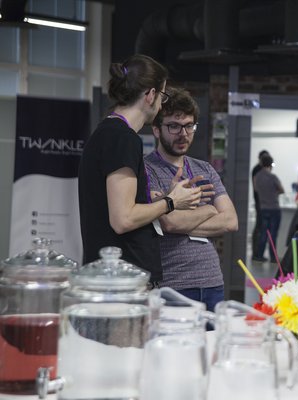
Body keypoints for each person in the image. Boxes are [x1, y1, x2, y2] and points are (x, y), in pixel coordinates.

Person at [78, 54, 202, 285]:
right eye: (162, 95)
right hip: (123, 280)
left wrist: (157, 199)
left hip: (115, 275)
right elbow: (123, 219)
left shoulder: (109, 133)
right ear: (150, 95)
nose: (161, 104)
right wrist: (171, 202)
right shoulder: (122, 138)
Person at [145, 86, 238, 310]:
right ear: (157, 129)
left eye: (189, 126)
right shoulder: (147, 170)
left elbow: (231, 221)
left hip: (212, 280)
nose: (183, 134)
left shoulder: (204, 169)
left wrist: (178, 216)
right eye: (174, 126)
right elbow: (169, 221)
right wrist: (208, 210)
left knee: (212, 344)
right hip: (173, 283)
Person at [253, 154, 284, 262]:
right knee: (273, 234)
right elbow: (282, 189)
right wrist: (274, 192)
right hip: (274, 208)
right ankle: (273, 257)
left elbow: (256, 189)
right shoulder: (272, 177)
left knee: (263, 233)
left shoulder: (257, 177)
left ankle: (260, 255)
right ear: (271, 164)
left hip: (263, 208)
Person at [251, 150, 269, 260]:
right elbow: (257, 187)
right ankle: (256, 254)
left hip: (261, 202)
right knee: (259, 228)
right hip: (260, 203)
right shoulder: (258, 169)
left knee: (260, 228)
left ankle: (258, 254)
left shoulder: (258, 169)